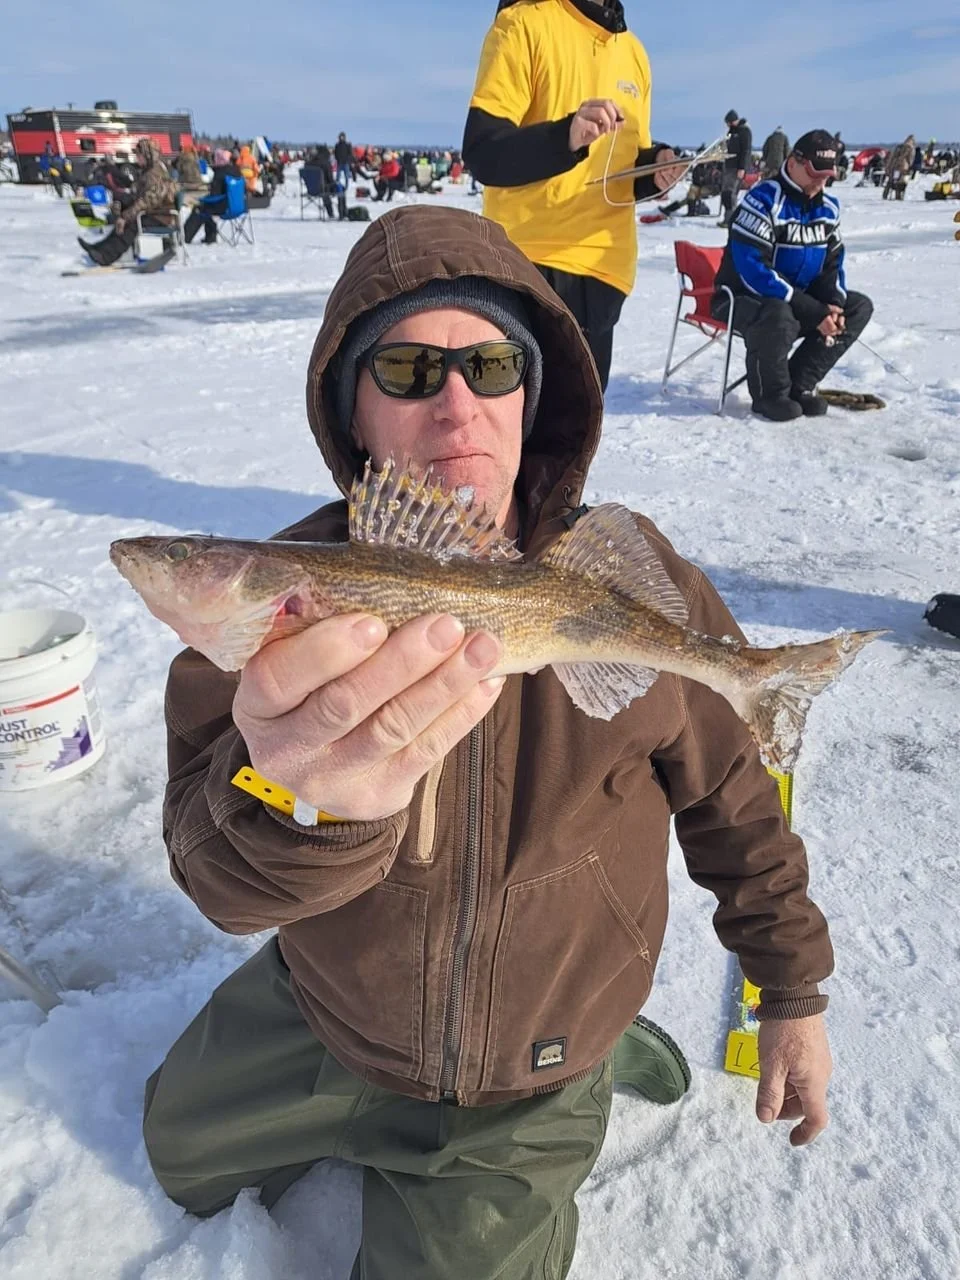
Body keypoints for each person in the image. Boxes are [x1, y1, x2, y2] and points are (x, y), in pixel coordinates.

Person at [142, 204, 835, 1280]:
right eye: (411, 369)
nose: (457, 405)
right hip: (337, 1009)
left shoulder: (627, 571)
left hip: (530, 1059)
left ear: (534, 390)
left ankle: (598, 1054)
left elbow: (739, 803)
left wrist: (791, 990)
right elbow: (219, 880)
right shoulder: (264, 621)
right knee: (173, 1153)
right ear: (352, 411)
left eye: (495, 364)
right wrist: (305, 802)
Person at [462, 0, 686, 392]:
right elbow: (484, 153)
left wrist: (656, 169)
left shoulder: (633, 51)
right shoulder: (522, 24)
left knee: (576, 443)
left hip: (602, 273)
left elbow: (623, 172)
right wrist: (564, 137)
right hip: (529, 265)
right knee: (513, 439)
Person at [712, 129, 874, 421]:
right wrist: (812, 309)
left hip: (796, 300)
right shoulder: (761, 201)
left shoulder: (828, 208)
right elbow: (755, 271)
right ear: (793, 162)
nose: (819, 181)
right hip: (740, 298)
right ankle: (769, 395)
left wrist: (833, 303)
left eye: (826, 175)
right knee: (778, 312)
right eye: (814, 172)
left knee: (858, 307)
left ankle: (799, 385)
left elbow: (833, 263)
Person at [77, 138, 178, 268]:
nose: (137, 158)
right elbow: (138, 195)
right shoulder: (147, 172)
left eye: (139, 155)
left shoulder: (155, 174)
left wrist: (126, 215)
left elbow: (148, 201)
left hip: (162, 216)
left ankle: (106, 256)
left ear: (148, 155)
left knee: (131, 224)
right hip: (152, 212)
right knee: (124, 217)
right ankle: (99, 248)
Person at [183, 152, 244, 245]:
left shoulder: (220, 172)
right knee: (208, 208)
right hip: (239, 207)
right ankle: (210, 237)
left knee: (200, 209)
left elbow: (215, 194)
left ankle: (184, 238)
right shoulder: (237, 171)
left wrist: (202, 200)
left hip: (224, 208)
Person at [718, 109, 753, 227]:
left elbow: (745, 150)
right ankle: (727, 218)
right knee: (725, 193)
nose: (728, 125)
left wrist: (742, 168)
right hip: (728, 166)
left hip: (737, 167)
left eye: (729, 122)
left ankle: (730, 220)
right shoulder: (731, 132)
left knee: (731, 193)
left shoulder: (744, 132)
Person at [884, 135, 914, 200]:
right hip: (903, 167)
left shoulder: (898, 147)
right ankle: (898, 196)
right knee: (900, 182)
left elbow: (891, 157)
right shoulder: (910, 148)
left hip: (894, 167)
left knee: (892, 181)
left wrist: (889, 167)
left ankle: (885, 195)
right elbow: (910, 159)